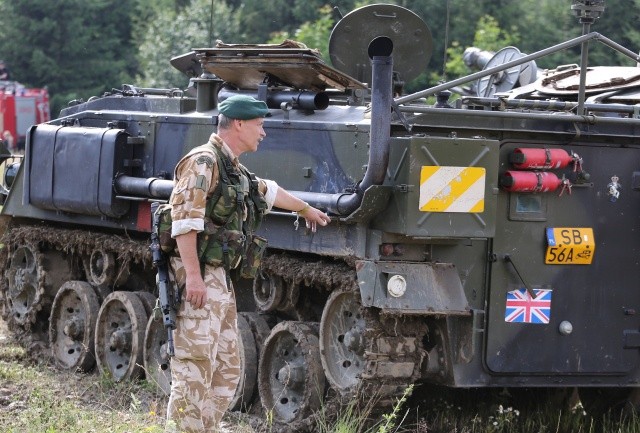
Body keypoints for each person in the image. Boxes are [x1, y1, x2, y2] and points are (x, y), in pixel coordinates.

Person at [166, 94, 331, 432]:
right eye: (259, 125)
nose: (264, 133)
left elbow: (269, 191)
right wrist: (194, 279)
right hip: (196, 275)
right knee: (195, 365)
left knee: (227, 368)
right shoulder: (203, 162)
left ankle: (203, 428)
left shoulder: (233, 170)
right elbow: (184, 224)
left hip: (219, 278)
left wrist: (304, 209)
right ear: (238, 124)